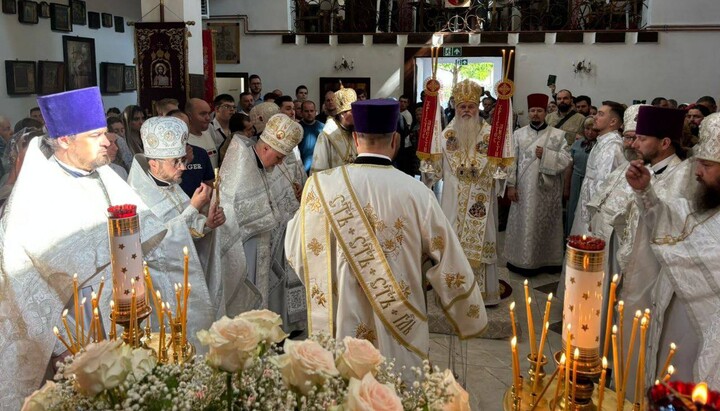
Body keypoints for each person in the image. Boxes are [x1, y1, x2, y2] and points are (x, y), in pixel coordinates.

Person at [286, 99, 486, 375]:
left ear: (356, 138)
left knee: (348, 390)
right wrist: (468, 312)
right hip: (400, 322)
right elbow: (448, 256)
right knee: (397, 387)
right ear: (395, 140)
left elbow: (296, 250)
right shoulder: (417, 193)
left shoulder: (320, 187)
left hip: (341, 316)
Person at [0, 87, 167, 409]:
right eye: (96, 135)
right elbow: (24, 291)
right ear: (65, 140)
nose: (108, 141)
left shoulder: (106, 177)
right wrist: (62, 345)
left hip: (127, 320)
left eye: (106, 133)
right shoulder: (34, 199)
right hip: (77, 337)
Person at [591, 106, 689, 389]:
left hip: (657, 278)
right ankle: (620, 389)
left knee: (647, 342)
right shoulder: (646, 169)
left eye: (641, 138)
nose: (633, 143)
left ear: (665, 143)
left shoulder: (682, 177)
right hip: (633, 268)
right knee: (628, 334)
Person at [624, 112, 720, 388]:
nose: (697, 171)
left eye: (706, 165)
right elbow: (669, 219)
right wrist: (645, 192)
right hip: (671, 313)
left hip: (702, 327)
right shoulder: (705, 204)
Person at [128, 116, 226, 327]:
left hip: (185, 277)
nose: (183, 167)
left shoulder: (171, 184)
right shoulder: (139, 196)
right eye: (176, 161)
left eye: (183, 159)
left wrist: (208, 223)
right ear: (154, 163)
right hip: (159, 285)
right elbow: (155, 243)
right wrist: (193, 207)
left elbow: (187, 229)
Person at [216, 114, 306, 329]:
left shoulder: (263, 164)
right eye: (279, 157)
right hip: (245, 246)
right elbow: (233, 209)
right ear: (266, 149)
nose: (281, 162)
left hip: (263, 244)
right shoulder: (241, 163)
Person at [422, 79, 505, 305]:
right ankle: (454, 292)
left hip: (482, 199)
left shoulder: (492, 136)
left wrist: (501, 172)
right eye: (462, 106)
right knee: (453, 241)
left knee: (484, 238)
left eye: (470, 106)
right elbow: (434, 172)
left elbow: (502, 165)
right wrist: (428, 168)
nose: (466, 110)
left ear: (477, 107)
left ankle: (484, 296)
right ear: (455, 107)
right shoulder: (446, 135)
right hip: (453, 199)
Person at [505, 93, 570, 274]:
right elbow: (511, 161)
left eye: (539, 111)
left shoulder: (558, 135)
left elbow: (566, 159)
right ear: (528, 112)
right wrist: (511, 185)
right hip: (523, 190)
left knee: (546, 224)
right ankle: (520, 260)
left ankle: (547, 261)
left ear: (545, 112)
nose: (535, 114)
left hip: (547, 190)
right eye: (532, 110)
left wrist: (547, 156)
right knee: (524, 223)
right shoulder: (518, 134)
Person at [569, 101, 626, 235]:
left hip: (595, 207)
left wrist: (593, 217)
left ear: (612, 122)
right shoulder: (602, 141)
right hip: (587, 198)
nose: (594, 117)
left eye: (600, 114)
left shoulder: (612, 146)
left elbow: (603, 183)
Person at [564, 116, 597, 238]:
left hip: (590, 183)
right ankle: (569, 237)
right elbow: (569, 166)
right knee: (572, 210)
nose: (589, 132)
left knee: (585, 212)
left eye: (593, 129)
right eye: (587, 129)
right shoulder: (577, 144)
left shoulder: (600, 146)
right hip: (576, 180)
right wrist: (566, 187)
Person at [311, 86, 357, 172]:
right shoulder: (326, 136)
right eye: (353, 111)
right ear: (343, 114)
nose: (357, 115)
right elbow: (320, 169)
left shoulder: (358, 133)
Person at [298, 100, 324, 173]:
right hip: (302, 168)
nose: (309, 113)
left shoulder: (323, 127)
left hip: (320, 167)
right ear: (301, 112)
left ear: (315, 112)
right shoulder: (297, 128)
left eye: (311, 111)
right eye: (306, 111)